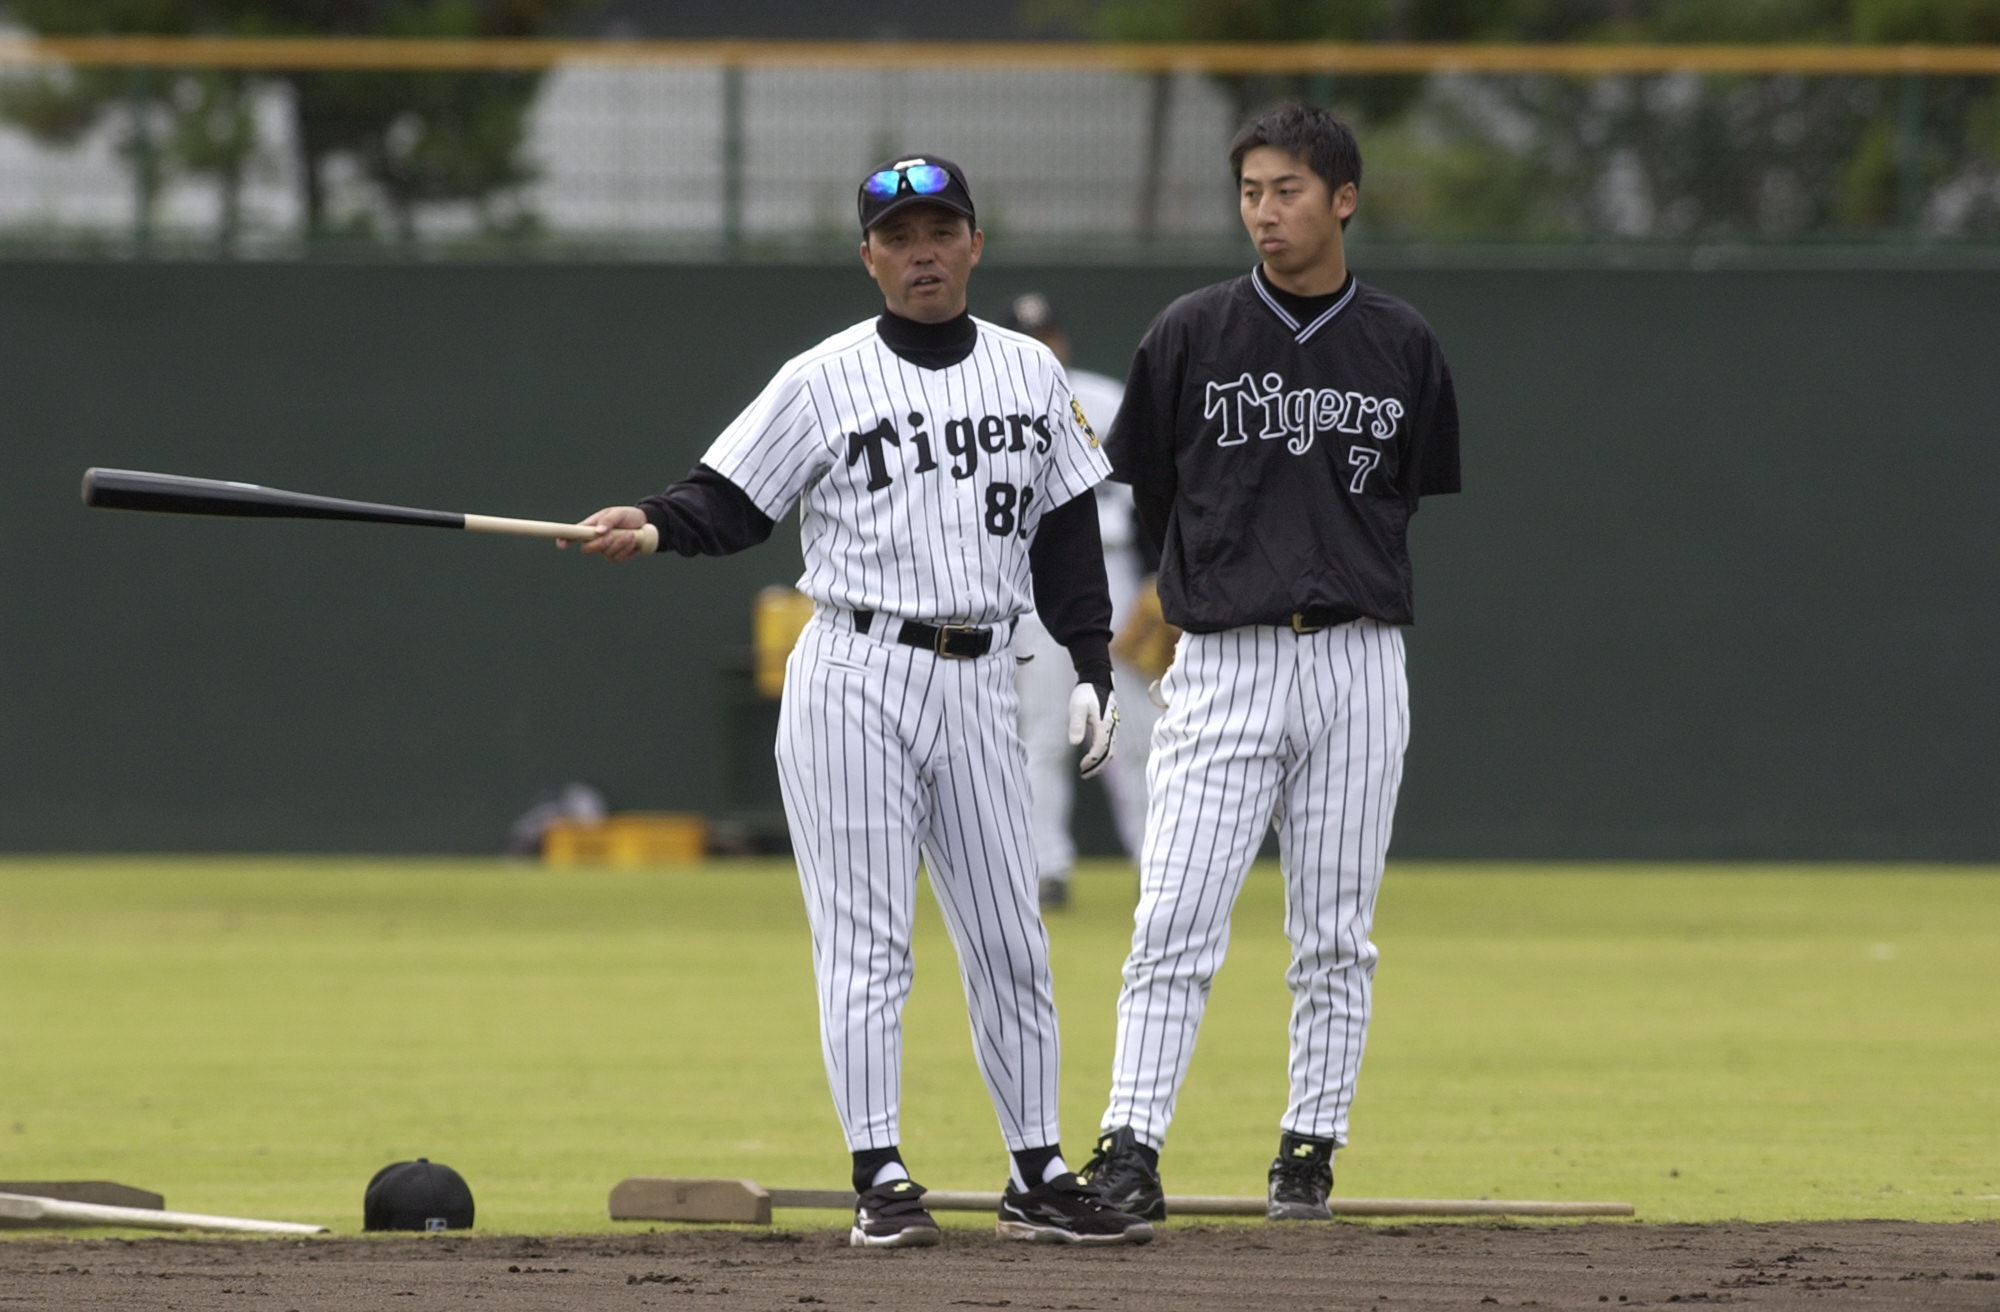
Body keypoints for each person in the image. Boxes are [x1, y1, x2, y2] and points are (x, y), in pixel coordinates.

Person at [568, 154, 1153, 1249]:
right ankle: (879, 1173)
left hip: (983, 673)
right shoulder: (821, 376)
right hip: (854, 671)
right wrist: (648, 522)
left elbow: (1068, 530)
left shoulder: (1031, 373)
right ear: (868, 256)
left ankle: (1036, 1168)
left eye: (942, 230)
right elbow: (728, 498)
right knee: (868, 940)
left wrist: (1086, 663)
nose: (922, 251)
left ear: (975, 243)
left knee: (1010, 938)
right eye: (899, 235)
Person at [1080, 104, 1462, 1223]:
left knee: (1335, 931)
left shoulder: (1401, 341)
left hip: (1355, 659)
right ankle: (1129, 1144)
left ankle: (1308, 1147)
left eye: (1286, 188)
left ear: (1341, 198)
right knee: (1172, 916)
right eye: (1249, 190)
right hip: (1225, 658)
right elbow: (1147, 487)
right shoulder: (1191, 331)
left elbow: (1403, 495)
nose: (1264, 210)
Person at [996, 292, 1159, 912]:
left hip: (1115, 573)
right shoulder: (986, 406)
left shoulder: (1102, 398)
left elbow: (1149, 493)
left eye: (1049, 334)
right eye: (1028, 335)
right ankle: (1046, 869)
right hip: (1030, 587)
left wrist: (1156, 578)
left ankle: (1156, 862)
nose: (1044, 347)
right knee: (1040, 733)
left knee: (1135, 731)